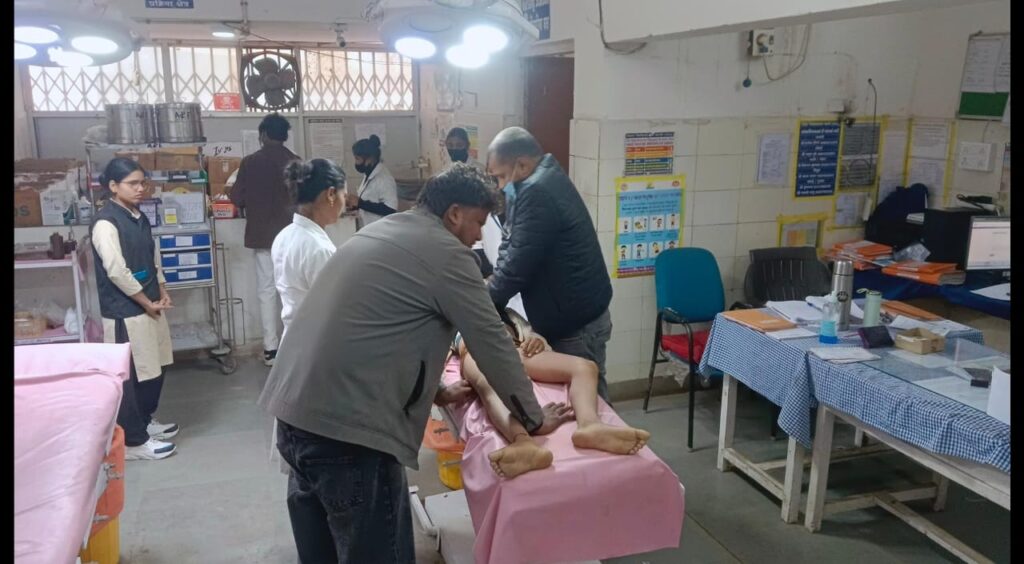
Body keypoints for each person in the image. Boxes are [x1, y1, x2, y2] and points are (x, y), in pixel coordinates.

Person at [259, 163, 565, 563]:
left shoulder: (380, 232)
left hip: (293, 417)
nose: (478, 235)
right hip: (350, 437)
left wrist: (435, 391)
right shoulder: (449, 255)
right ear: (454, 214)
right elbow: (492, 341)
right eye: (478, 222)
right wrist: (533, 418)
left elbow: (376, 332)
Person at [486, 127, 615, 402]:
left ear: (522, 164)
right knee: (578, 396)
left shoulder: (537, 192)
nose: (499, 186)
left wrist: (483, 303)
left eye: (500, 176)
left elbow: (516, 265)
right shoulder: (538, 180)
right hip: (574, 314)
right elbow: (510, 243)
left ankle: (595, 426)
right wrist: (493, 287)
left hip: (576, 324)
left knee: (587, 399)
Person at [454, 309, 650, 480]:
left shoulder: (504, 309)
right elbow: (439, 351)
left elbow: (528, 330)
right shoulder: (448, 311)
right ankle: (522, 442)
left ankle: (590, 425)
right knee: (490, 385)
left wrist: (535, 339)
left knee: (585, 367)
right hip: (474, 352)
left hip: (514, 348)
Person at [91, 158, 178, 460]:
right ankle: (132, 442)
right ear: (113, 186)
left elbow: (153, 258)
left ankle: (144, 421)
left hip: (150, 304)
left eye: (142, 183)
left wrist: (162, 291)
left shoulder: (138, 216)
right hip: (125, 311)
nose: (140, 188)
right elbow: (116, 270)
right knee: (131, 376)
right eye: (133, 183)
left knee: (155, 366)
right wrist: (145, 302)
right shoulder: (106, 223)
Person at [268, 158, 345, 476]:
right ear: (330, 194)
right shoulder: (318, 248)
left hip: (295, 340)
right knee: (317, 443)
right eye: (343, 194)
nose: (345, 202)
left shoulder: (286, 235)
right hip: (316, 348)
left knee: (298, 437)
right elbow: (336, 310)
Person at [228, 113, 299, 367]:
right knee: (292, 290)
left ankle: (271, 350)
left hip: (263, 238)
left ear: (264, 135)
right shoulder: (296, 163)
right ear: (284, 136)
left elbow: (237, 197)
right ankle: (295, 348)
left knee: (267, 291)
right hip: (292, 237)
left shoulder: (250, 162)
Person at [346, 134, 397, 229]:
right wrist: (355, 206)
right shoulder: (369, 174)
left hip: (380, 231)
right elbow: (371, 201)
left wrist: (360, 203)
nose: (356, 163)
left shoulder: (384, 178)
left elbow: (390, 210)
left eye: (357, 159)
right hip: (369, 228)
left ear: (369, 159)